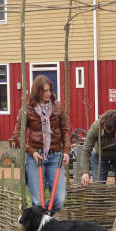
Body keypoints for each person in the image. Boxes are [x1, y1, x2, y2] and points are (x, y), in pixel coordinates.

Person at [13, 75, 71, 213]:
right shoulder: (27, 110)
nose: (48, 93)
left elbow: (65, 130)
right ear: (37, 91)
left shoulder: (57, 107)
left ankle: (41, 216)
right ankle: (40, 221)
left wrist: (66, 151)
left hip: (55, 156)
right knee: (38, 202)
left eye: (49, 90)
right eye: (44, 91)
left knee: (60, 199)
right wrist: (31, 151)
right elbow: (17, 136)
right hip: (35, 157)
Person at [79, 110, 116, 189]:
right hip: (100, 156)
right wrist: (85, 172)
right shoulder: (96, 127)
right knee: (98, 188)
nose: (106, 130)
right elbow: (86, 149)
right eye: (105, 128)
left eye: (109, 129)